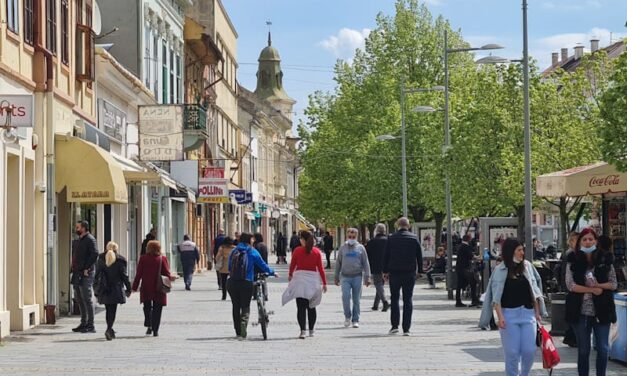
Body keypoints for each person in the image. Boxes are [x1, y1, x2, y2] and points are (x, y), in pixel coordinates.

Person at [478, 238, 547, 376]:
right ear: (511, 252)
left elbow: (535, 290)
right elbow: (496, 297)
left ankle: (524, 374)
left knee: (529, 350)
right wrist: (500, 316)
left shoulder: (527, 266)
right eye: (519, 250)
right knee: (512, 352)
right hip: (509, 315)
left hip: (528, 314)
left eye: (522, 250)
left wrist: (537, 312)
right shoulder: (500, 270)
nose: (522, 253)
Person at [565, 228, 617, 376]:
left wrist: (598, 286)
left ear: (596, 241)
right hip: (580, 311)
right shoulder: (573, 259)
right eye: (584, 240)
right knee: (583, 350)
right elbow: (570, 285)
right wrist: (590, 290)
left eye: (591, 239)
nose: (588, 242)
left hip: (602, 310)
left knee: (603, 348)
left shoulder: (605, 259)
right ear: (579, 242)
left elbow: (613, 284)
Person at [227, 233, 277, 339]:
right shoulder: (252, 251)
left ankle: (238, 332)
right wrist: (272, 272)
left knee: (235, 306)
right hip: (246, 282)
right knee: (245, 306)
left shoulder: (233, 251)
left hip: (232, 282)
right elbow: (263, 265)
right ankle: (244, 324)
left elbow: (229, 267)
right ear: (250, 241)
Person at [382, 217, 423, 336]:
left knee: (394, 299)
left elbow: (386, 255)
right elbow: (419, 256)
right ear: (408, 226)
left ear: (397, 226)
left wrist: (385, 271)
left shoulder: (391, 238)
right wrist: (419, 270)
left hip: (394, 272)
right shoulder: (414, 238)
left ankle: (394, 326)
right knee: (408, 300)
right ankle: (406, 329)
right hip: (409, 273)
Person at [283, 230, 327, 339]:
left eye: (300, 238)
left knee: (301, 307)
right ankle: (311, 330)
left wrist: (290, 274)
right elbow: (321, 269)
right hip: (313, 282)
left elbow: (293, 264)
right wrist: (324, 283)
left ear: (303, 240)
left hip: (300, 281)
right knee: (312, 306)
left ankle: (303, 330)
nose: (299, 240)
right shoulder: (316, 252)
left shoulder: (297, 251)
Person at [132, 240, 177, 337]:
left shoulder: (143, 258)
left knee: (147, 307)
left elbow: (138, 274)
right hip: (158, 286)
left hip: (146, 286)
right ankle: (155, 330)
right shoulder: (162, 259)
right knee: (158, 308)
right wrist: (171, 278)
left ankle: (149, 325)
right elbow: (166, 273)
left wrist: (134, 287)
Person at [94, 241, 131, 341]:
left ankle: (109, 329)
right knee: (112, 310)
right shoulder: (120, 260)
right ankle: (109, 329)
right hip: (116, 288)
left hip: (104, 288)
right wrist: (129, 288)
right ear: (116, 249)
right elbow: (124, 276)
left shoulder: (101, 259)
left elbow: (97, 275)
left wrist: (95, 288)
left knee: (108, 309)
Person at [334, 228, 371, 328]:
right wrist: (336, 276)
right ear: (346, 236)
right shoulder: (342, 248)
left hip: (357, 277)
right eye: (349, 237)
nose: (351, 238)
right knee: (345, 297)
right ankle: (347, 316)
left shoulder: (361, 248)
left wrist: (368, 277)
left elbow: (365, 263)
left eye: (353, 237)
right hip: (345, 277)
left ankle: (355, 319)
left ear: (356, 237)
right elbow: (338, 263)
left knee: (356, 299)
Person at [71, 220, 98, 333]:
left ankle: (91, 325)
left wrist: (87, 268)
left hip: (86, 273)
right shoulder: (79, 240)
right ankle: (83, 323)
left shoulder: (90, 239)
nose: (76, 229)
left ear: (84, 228)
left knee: (87, 298)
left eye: (78, 227)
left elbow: (95, 254)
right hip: (77, 272)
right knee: (79, 298)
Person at [560, 231, 579, 347]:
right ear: (572, 241)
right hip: (571, 288)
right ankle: (571, 337)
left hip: (570, 288)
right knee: (573, 313)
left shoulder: (570, 253)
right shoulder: (570, 254)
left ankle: (571, 337)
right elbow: (565, 273)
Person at [366, 223, 389, 312]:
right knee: (380, 285)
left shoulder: (372, 241)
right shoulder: (388, 240)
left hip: (375, 266)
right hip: (386, 266)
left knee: (378, 284)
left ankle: (385, 302)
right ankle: (375, 305)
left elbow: (367, 255)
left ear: (376, 231)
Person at [455, 234, 481, 307]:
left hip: (459, 268)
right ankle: (474, 300)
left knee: (459, 285)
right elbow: (471, 256)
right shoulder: (466, 247)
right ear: (469, 240)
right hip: (465, 269)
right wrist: (479, 257)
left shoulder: (460, 246)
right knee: (473, 282)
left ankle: (458, 301)